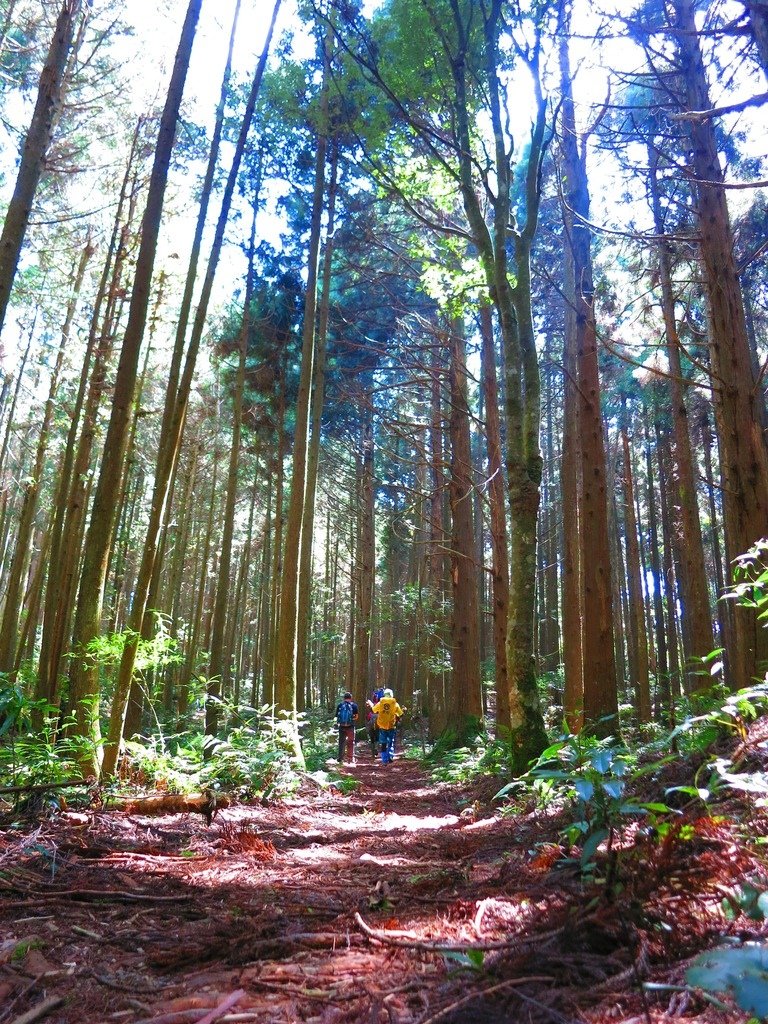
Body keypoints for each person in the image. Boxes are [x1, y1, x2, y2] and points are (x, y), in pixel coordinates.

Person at [367, 688, 405, 764]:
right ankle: (390, 756)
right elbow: (400, 714)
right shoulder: (395, 704)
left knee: (383, 743)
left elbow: (374, 710)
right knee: (391, 741)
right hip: (391, 726)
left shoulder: (380, 703)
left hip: (382, 726)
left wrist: (371, 704)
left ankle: (384, 760)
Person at [335, 691, 358, 764]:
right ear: (351, 698)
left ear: (344, 698)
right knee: (351, 742)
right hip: (350, 726)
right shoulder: (354, 705)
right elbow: (356, 717)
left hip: (341, 726)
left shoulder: (340, 705)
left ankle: (340, 758)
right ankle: (350, 759)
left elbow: (336, 716)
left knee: (341, 742)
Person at [366, 686, 385, 758]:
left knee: (372, 738)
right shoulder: (379, 713)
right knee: (377, 737)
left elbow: (367, 719)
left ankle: (372, 752)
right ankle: (376, 748)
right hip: (378, 725)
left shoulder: (370, 714)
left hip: (371, 726)